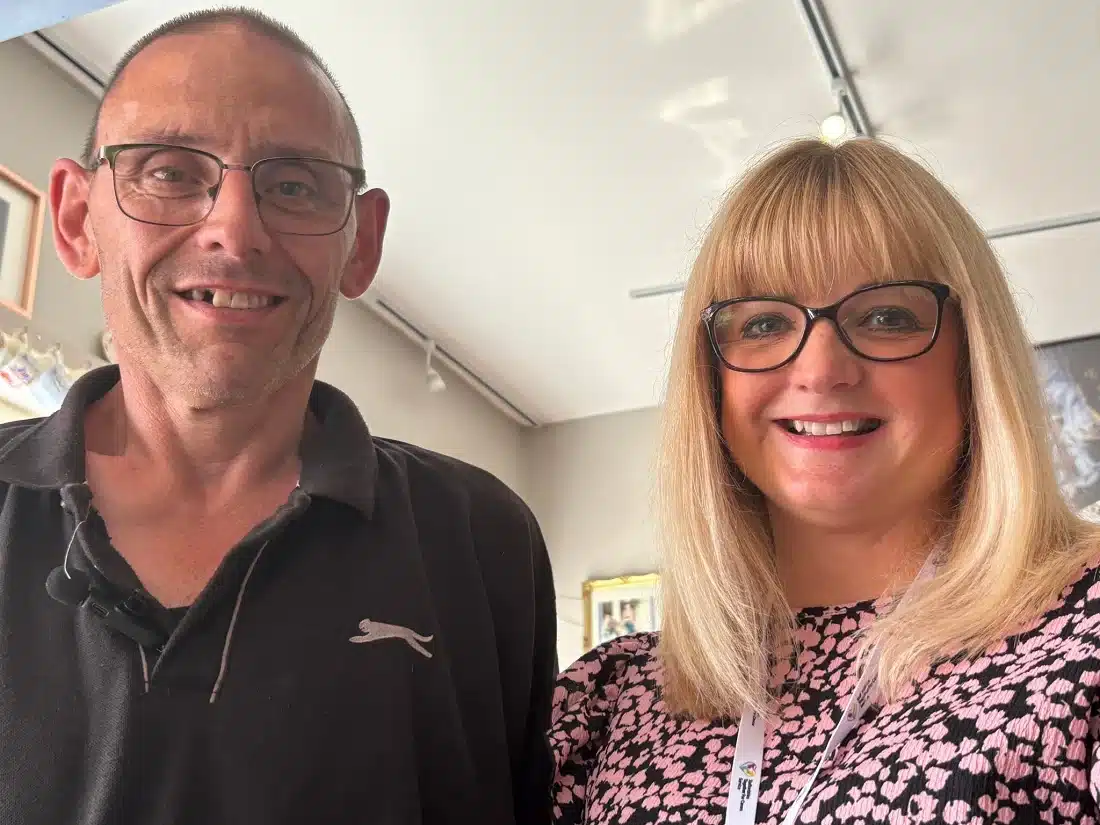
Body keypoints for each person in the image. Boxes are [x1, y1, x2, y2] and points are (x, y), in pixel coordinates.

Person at [0, 9, 556, 825]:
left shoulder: (481, 543)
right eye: (169, 171)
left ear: (360, 244)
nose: (234, 228)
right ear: (79, 221)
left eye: (294, 184)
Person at [550, 137, 1100, 823]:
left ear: (972, 357)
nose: (820, 368)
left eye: (886, 316)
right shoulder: (606, 704)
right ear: (710, 379)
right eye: (764, 323)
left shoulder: (1084, 633)